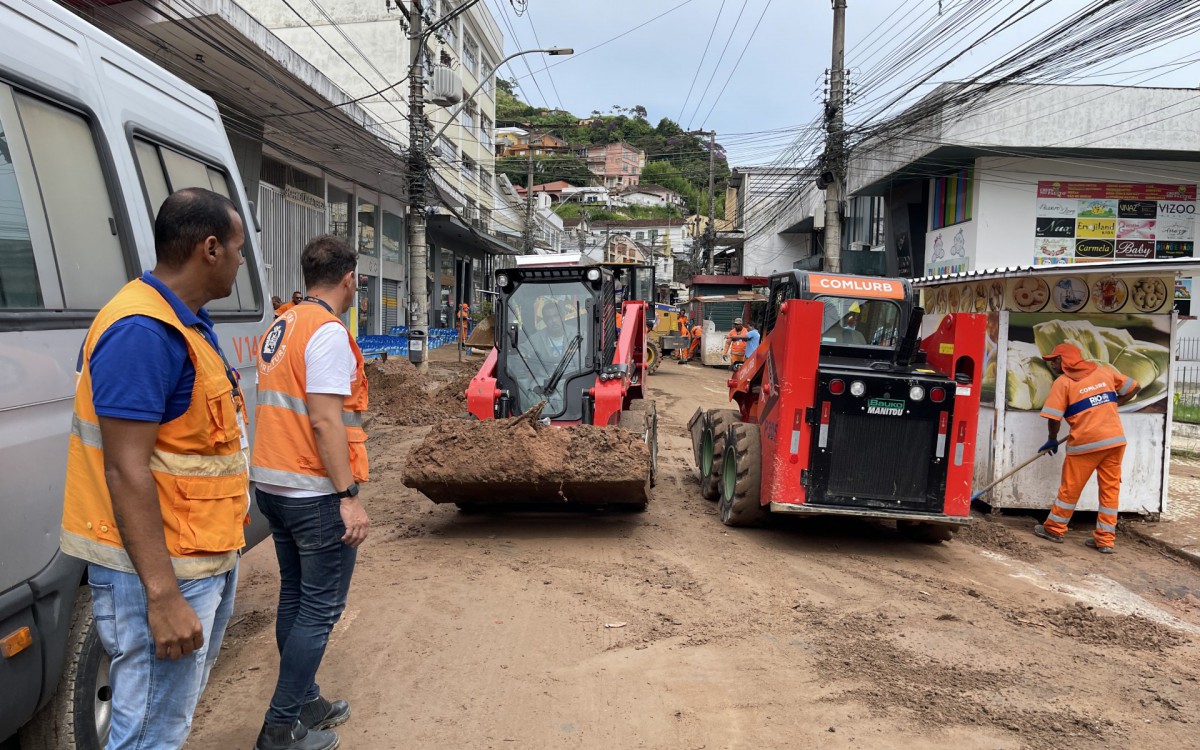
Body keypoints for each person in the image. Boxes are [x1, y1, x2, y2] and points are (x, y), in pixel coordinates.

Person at [60, 188, 249, 750]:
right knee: (147, 735)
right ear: (210, 249)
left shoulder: (184, 321)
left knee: (165, 723)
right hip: (163, 574)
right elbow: (124, 470)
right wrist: (163, 596)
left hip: (200, 556)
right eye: (239, 250)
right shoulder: (142, 332)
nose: (242, 262)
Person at [251, 235, 371, 750]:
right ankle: (280, 728)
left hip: (275, 485)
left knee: (296, 597)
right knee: (320, 608)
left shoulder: (283, 323)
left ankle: (307, 702)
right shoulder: (325, 333)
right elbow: (325, 422)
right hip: (313, 492)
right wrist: (347, 495)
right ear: (350, 279)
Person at [1033, 342, 1139, 554]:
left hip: (1086, 445)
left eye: (1055, 359)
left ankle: (1054, 528)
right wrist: (1112, 404)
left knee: (1070, 488)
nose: (1052, 364)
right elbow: (1134, 387)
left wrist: (1052, 438)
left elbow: (1054, 417)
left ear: (1064, 361)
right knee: (1110, 491)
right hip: (1114, 441)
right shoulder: (1104, 372)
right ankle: (1105, 540)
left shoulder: (1063, 383)